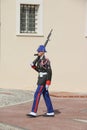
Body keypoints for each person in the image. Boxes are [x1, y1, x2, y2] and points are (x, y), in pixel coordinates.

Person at [27, 45, 54, 117]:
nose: (38, 52)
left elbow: (49, 72)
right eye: (38, 51)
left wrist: (48, 82)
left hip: (44, 79)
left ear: (43, 52)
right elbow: (39, 70)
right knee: (45, 95)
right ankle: (50, 111)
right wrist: (33, 66)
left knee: (37, 94)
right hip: (40, 78)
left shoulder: (46, 61)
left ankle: (33, 111)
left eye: (39, 51)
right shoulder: (39, 60)